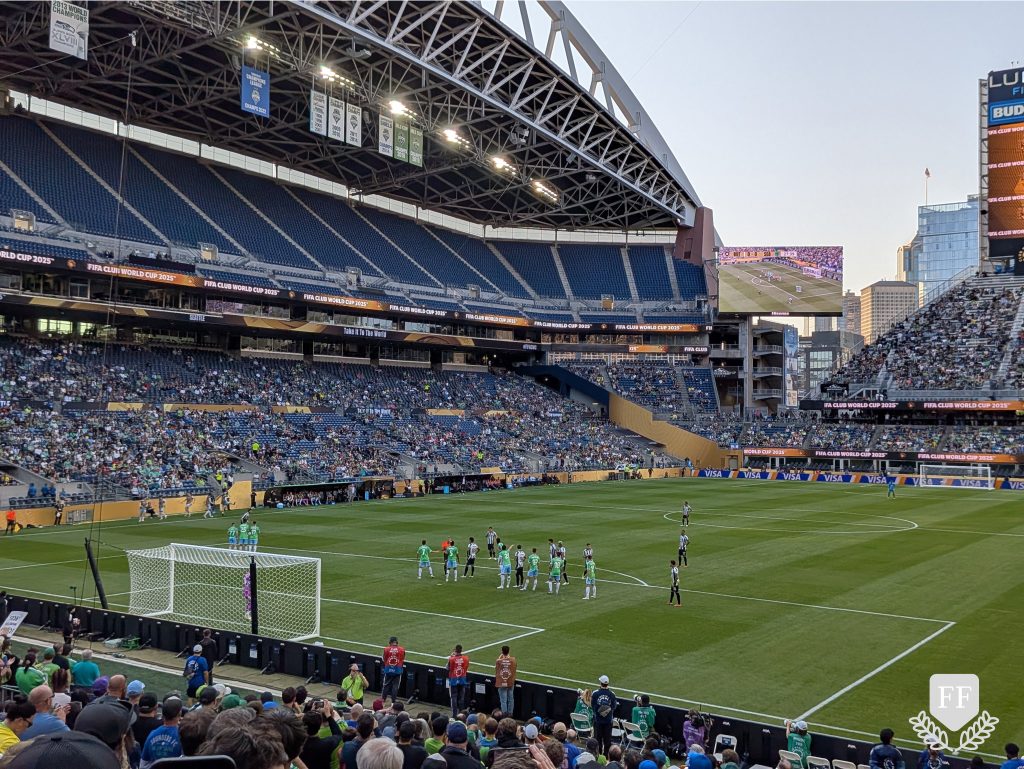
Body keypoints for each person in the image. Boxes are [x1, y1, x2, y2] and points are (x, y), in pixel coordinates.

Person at [140, 696, 183, 768]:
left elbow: (143, 764)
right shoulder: (182, 736)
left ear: (162, 714)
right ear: (179, 713)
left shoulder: (153, 734)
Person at [299, 701, 344, 769]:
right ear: (320, 724)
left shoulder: (297, 744)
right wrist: (328, 716)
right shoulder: (327, 744)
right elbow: (339, 735)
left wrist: (310, 714)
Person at [591, 675, 617, 756]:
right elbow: (613, 706)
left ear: (600, 683)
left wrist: (600, 712)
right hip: (608, 721)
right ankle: (606, 757)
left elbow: (593, 706)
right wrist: (605, 711)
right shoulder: (612, 694)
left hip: (598, 721)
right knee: (607, 740)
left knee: (597, 739)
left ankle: (598, 756)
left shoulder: (595, 693)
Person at [381, 636, 406, 704]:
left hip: (388, 669)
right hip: (397, 670)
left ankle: (383, 699)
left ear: (390, 642)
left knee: (386, 685)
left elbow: (384, 659)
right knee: (395, 686)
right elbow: (403, 658)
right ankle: (393, 701)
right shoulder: (402, 649)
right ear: (396, 642)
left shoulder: (386, 649)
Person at [448, 644, 470, 717]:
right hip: (462, 679)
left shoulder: (452, 659)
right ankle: (461, 714)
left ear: (455, 650)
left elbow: (448, 668)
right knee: (461, 698)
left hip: (453, 680)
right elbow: (466, 668)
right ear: (461, 650)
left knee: (453, 697)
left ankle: (454, 714)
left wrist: (451, 657)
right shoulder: (466, 658)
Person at [495, 645, 517, 716]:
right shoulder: (513, 660)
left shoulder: (499, 661)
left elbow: (497, 668)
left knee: (503, 700)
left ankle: (504, 715)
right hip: (510, 682)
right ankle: (510, 714)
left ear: (502, 651)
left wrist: (500, 657)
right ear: (508, 651)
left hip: (502, 683)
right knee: (511, 699)